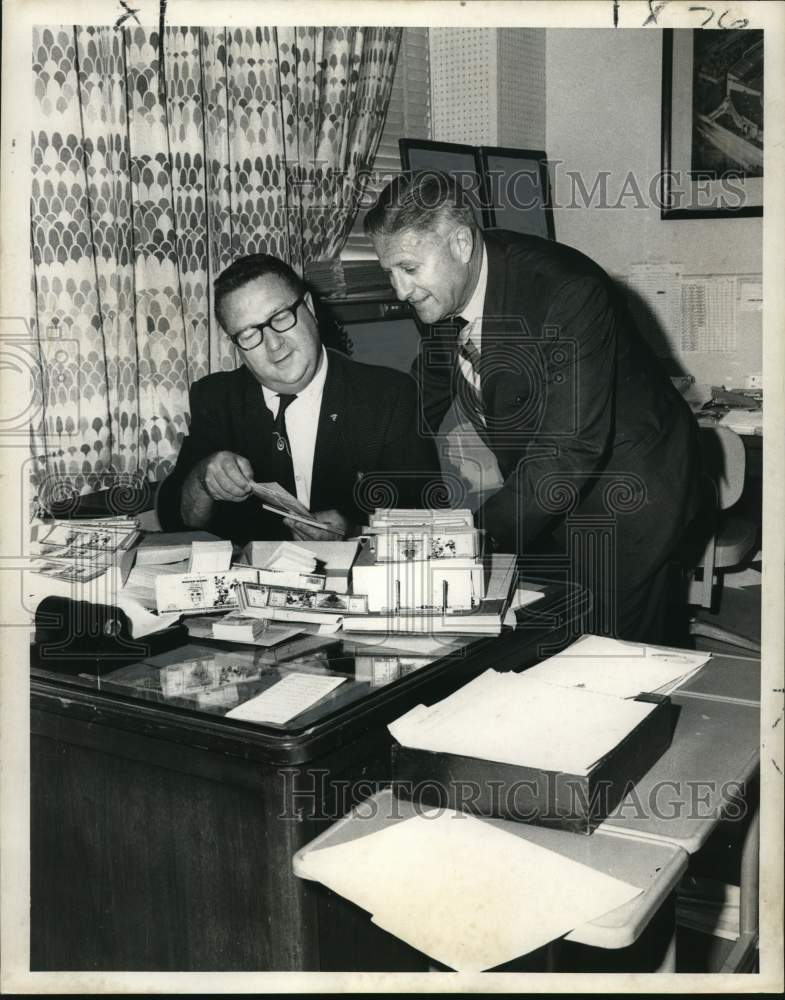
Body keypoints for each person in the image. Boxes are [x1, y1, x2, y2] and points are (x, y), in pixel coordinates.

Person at [365, 171, 703, 644]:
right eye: (389, 273)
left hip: (631, 490)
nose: (400, 291)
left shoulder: (566, 291)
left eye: (408, 269)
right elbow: (424, 394)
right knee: (553, 644)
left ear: (461, 243)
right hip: (547, 494)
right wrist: (357, 472)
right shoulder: (448, 291)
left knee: (621, 659)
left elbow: (568, 451)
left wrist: (468, 539)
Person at [157, 253, 441, 544]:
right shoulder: (217, 399)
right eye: (248, 333)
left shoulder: (389, 396)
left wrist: (357, 531)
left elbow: (428, 520)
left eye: (280, 317)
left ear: (309, 309)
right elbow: (175, 521)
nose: (274, 344)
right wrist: (204, 480)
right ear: (236, 345)